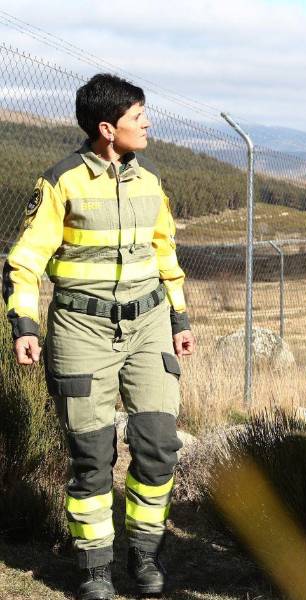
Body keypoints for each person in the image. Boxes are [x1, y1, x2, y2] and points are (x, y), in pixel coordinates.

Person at [2, 73, 195, 600]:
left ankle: (146, 553)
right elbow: (23, 265)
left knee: (157, 445)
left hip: (149, 325)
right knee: (92, 455)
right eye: (139, 117)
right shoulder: (60, 182)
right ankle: (95, 569)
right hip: (81, 331)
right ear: (107, 129)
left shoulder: (150, 182)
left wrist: (178, 320)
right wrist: (25, 324)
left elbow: (166, 258)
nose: (148, 124)